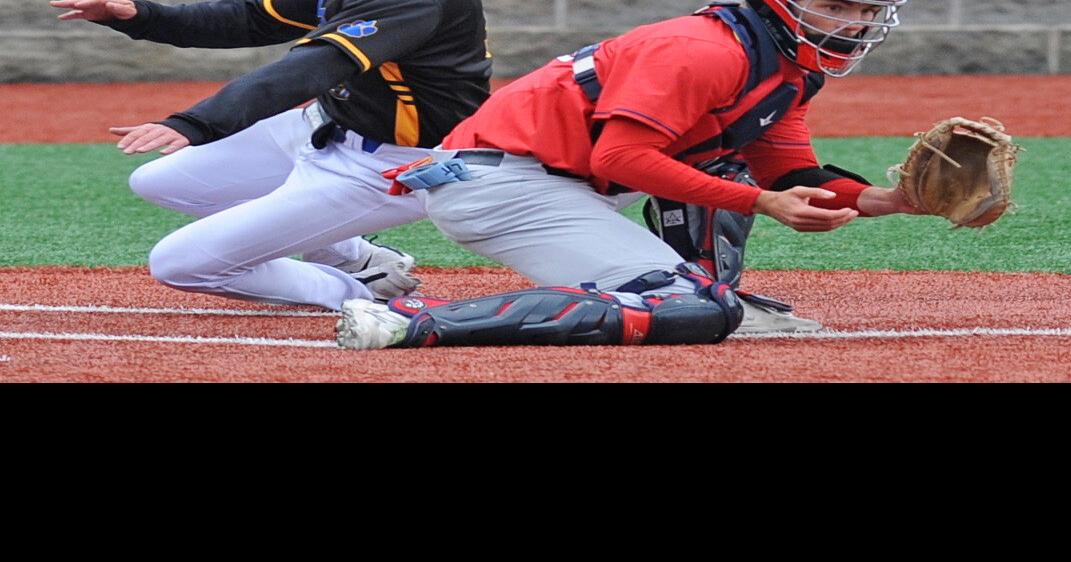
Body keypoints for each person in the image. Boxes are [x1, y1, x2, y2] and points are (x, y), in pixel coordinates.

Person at [336, 0, 921, 349]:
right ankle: (409, 322)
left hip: (549, 182)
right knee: (695, 302)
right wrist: (763, 203)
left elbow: (796, 177)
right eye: (839, 5)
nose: (852, 23)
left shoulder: (786, 70)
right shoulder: (703, 48)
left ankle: (702, 292)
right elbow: (622, 159)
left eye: (866, 11)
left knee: (727, 163)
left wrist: (902, 199)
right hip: (504, 185)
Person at [50, 0, 492, 309]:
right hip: (322, 126)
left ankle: (361, 296)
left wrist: (195, 123)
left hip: (392, 166)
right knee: (156, 180)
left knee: (179, 265)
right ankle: (354, 257)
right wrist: (141, 16)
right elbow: (250, 18)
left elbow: (312, 67)